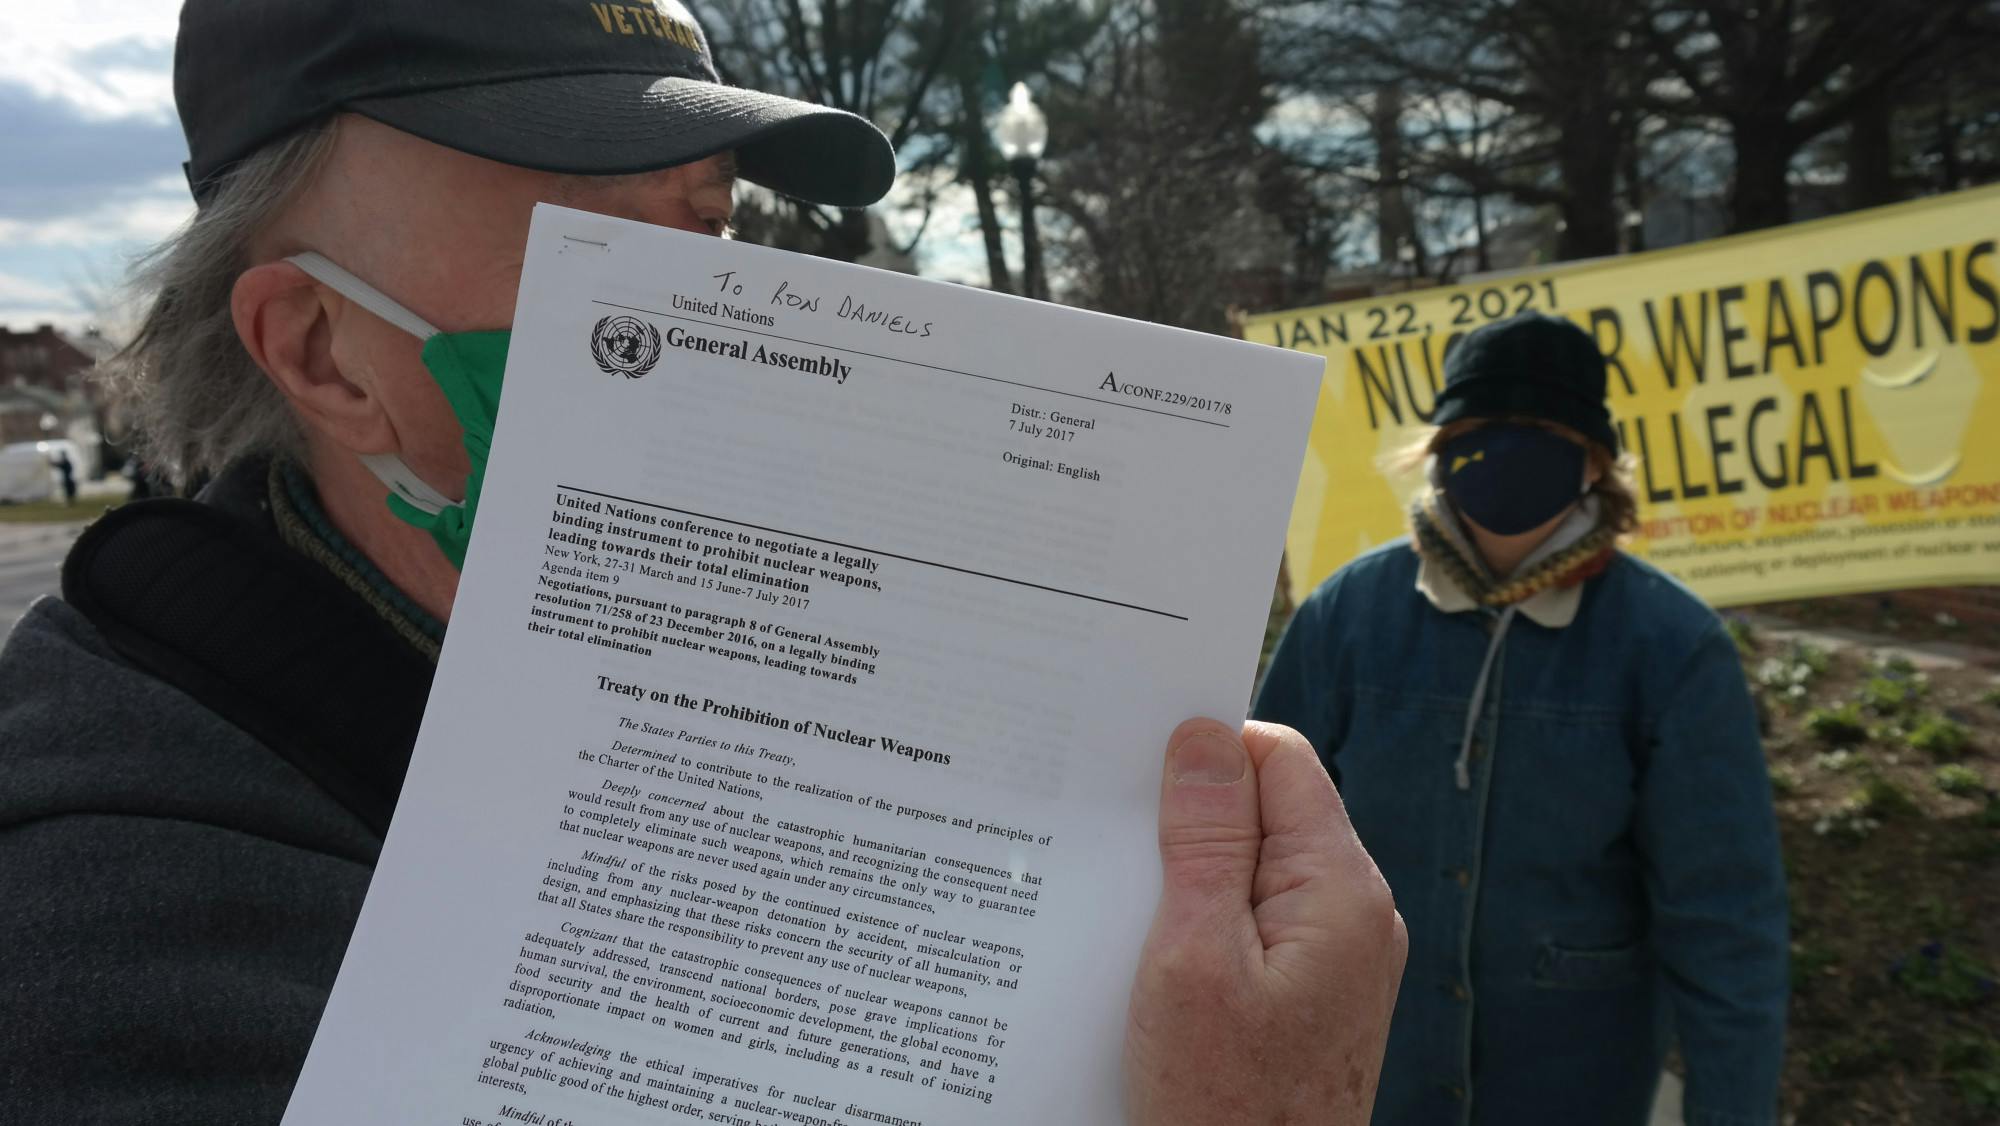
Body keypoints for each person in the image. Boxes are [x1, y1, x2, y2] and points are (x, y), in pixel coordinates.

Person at [0, 2, 1404, 1122]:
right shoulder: (106, 919)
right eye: (595, 241)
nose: (735, 304)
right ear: (320, 349)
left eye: (712, 219)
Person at [1254, 312, 1789, 1126]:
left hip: (1577, 1082)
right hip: (1369, 1076)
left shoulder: (1671, 649)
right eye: (1480, 431)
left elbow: (1724, 923)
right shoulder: (1346, 619)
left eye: (1536, 432)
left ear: (1591, 461)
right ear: (1439, 449)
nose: (1505, 455)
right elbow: (1256, 840)